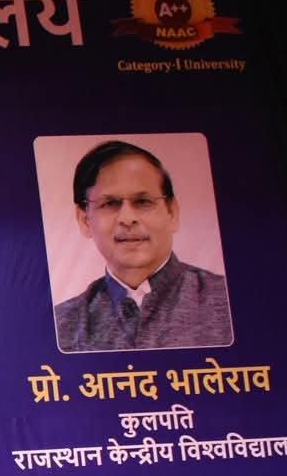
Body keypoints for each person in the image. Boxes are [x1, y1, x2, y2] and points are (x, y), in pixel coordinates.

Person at [52, 139, 233, 352]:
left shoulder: (228, 301)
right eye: (110, 204)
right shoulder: (62, 325)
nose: (128, 218)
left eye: (143, 202)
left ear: (172, 212)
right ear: (85, 220)